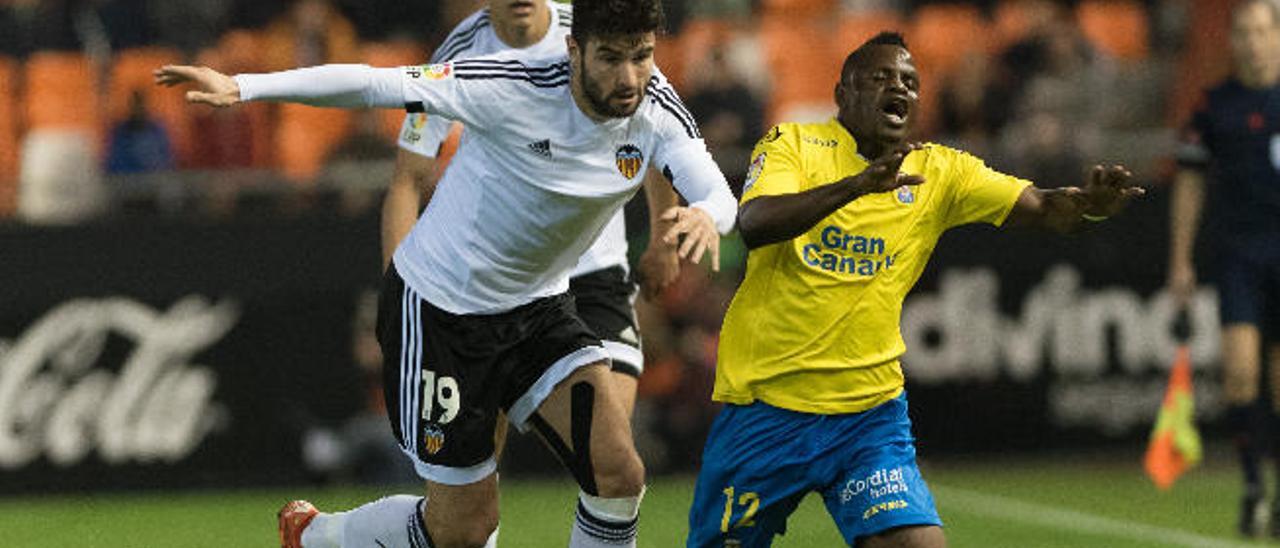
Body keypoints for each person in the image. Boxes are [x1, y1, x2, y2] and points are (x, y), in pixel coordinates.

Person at [156, 2, 737, 548]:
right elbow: (373, 82)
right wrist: (245, 87)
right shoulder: (505, 83)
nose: (631, 77)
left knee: (618, 474)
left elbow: (717, 192)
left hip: (539, 311)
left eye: (642, 55)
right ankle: (316, 534)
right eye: (611, 57)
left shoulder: (656, 106)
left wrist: (705, 215)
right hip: (443, 311)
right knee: (464, 528)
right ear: (574, 49)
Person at [686, 32, 1141, 548]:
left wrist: (1087, 208)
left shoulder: (939, 171)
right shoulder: (793, 143)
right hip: (767, 409)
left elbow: (1042, 207)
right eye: (880, 77)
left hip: (867, 416)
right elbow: (755, 222)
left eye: (908, 81)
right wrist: (856, 185)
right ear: (843, 93)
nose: (897, 87)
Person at [384, 0, 682, 422]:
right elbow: (406, 181)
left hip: (592, 272)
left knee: (610, 449)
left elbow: (658, 129)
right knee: (476, 466)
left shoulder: (593, 32)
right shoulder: (460, 51)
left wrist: (664, 240)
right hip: (501, 284)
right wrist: (400, 300)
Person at [1169, 0, 1280, 537]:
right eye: (1243, 32)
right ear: (1233, 40)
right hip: (1239, 255)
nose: (1252, 42)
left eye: (1261, 31)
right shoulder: (1216, 105)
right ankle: (1253, 483)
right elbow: (1189, 181)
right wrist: (1181, 259)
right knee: (1240, 372)